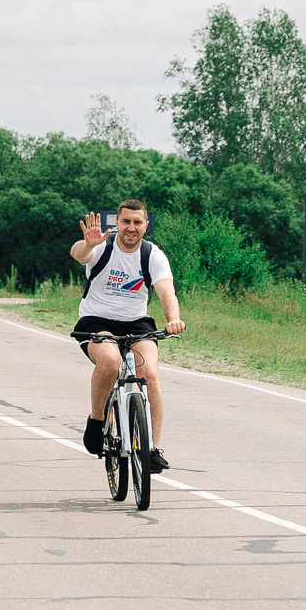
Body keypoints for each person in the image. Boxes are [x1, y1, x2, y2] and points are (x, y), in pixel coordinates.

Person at [70, 200, 184, 471]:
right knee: (110, 361)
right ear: (117, 223)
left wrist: (173, 319)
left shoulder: (152, 254)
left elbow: (166, 290)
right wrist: (87, 244)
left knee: (150, 373)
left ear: (146, 225)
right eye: (126, 221)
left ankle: (152, 449)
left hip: (136, 323)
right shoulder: (101, 246)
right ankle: (97, 421)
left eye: (137, 222)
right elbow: (79, 254)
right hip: (96, 321)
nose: (131, 227)